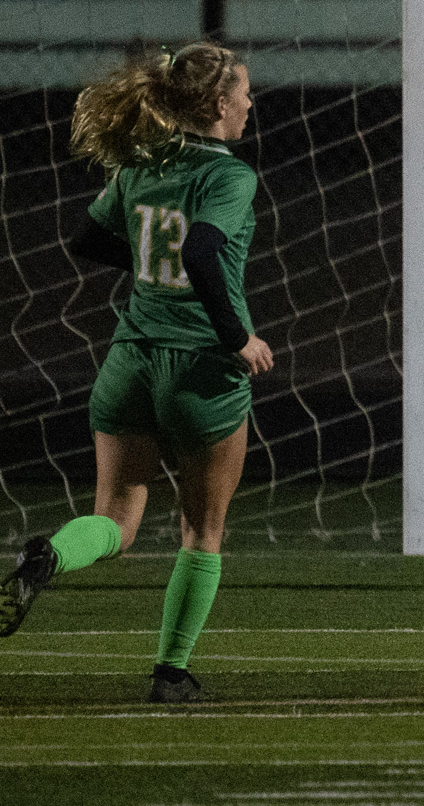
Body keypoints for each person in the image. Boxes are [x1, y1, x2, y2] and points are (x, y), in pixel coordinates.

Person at [2, 43, 278, 703]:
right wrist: (237, 337)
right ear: (217, 104)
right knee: (201, 529)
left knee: (117, 524)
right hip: (199, 371)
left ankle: (54, 555)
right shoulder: (230, 175)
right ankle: (171, 674)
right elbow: (204, 250)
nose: (249, 103)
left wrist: (154, 273)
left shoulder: (140, 164)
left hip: (129, 361)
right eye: (243, 92)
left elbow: (88, 240)